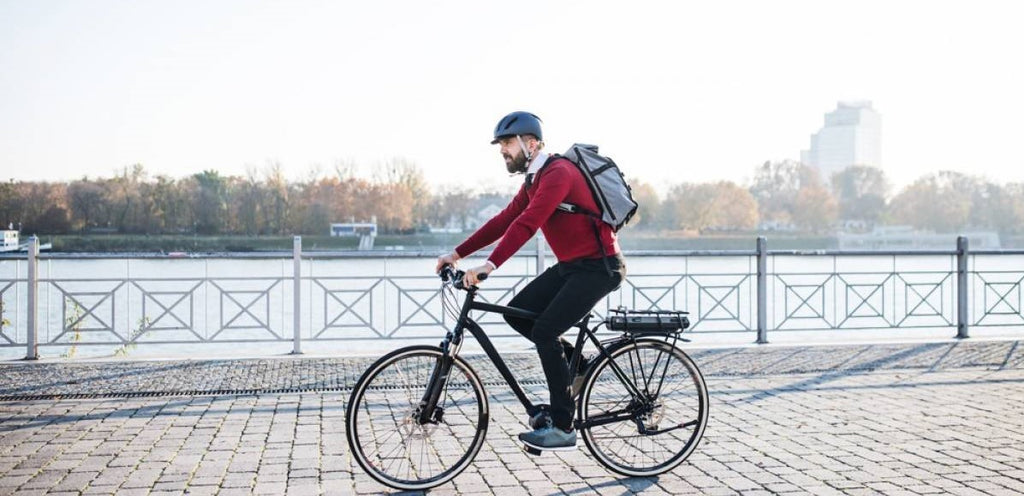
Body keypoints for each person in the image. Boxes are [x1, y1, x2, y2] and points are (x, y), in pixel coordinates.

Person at [435, 111, 626, 450]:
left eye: (507, 143)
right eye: (501, 145)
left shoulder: (558, 173)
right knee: (516, 312)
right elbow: (506, 220)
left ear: (531, 143)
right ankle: (578, 365)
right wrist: (457, 254)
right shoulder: (534, 180)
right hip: (572, 266)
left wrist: (489, 266)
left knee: (544, 330)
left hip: (599, 268)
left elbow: (528, 224)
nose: (503, 151)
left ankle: (564, 427)